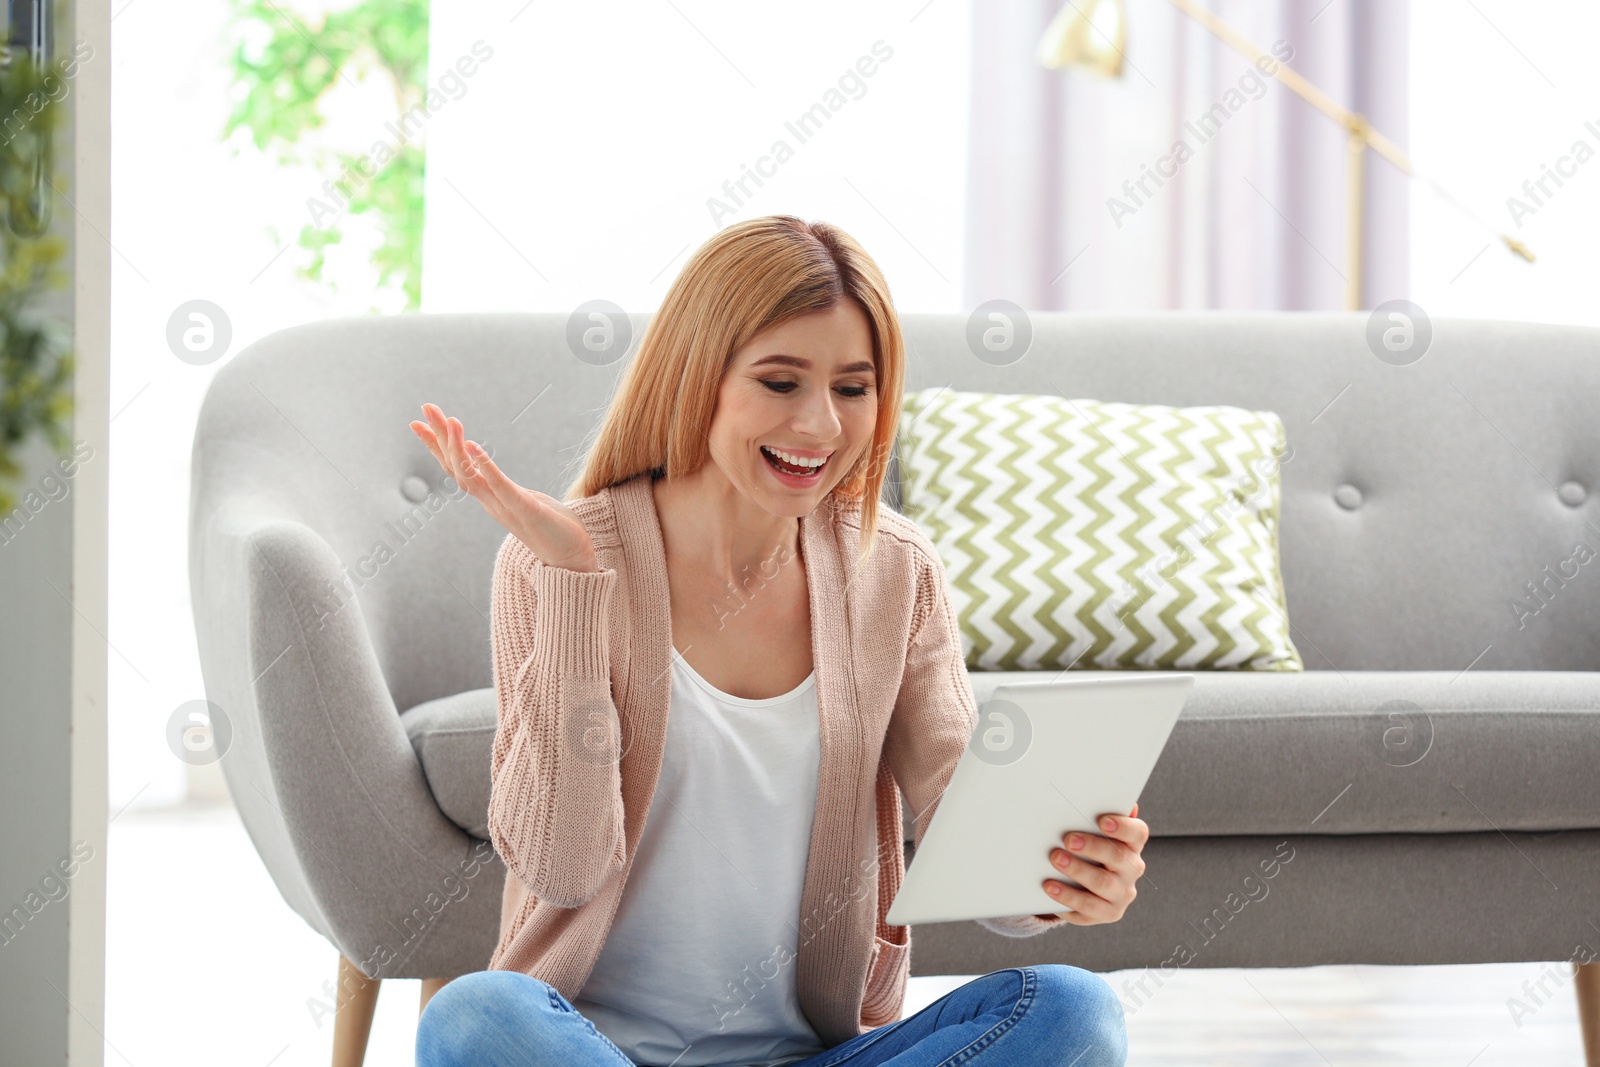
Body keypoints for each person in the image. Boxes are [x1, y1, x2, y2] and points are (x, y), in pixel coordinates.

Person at [408, 215, 1146, 1066]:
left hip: (815, 1055)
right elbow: (565, 867)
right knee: (473, 1017)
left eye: (854, 388)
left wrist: (1062, 877)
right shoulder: (554, 561)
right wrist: (575, 584)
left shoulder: (893, 570)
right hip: (594, 1050)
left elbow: (961, 816)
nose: (821, 426)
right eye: (781, 381)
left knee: (1073, 1010)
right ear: (698, 376)